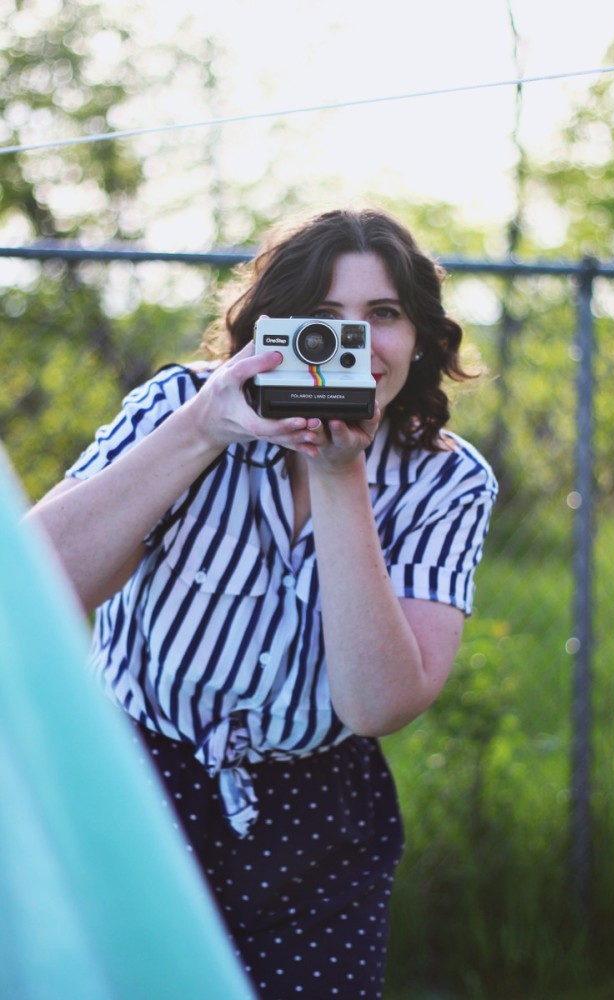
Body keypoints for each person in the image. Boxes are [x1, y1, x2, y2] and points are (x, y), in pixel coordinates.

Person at [26, 207, 497, 999]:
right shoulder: (181, 404)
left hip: (316, 812)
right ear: (270, 329)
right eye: (321, 318)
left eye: (381, 315)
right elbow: (36, 590)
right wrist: (204, 429)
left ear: (419, 335)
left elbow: (379, 702)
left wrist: (339, 476)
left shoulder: (446, 480)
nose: (354, 343)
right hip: (133, 776)